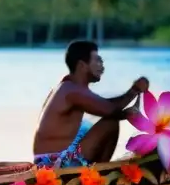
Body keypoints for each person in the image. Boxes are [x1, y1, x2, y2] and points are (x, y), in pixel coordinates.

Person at [32, 40, 148, 169]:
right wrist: (134, 91)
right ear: (82, 65)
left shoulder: (70, 86)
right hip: (51, 163)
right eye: (97, 61)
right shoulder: (72, 90)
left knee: (90, 125)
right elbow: (111, 110)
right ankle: (101, 173)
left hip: (53, 157)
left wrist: (130, 100)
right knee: (110, 122)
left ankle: (98, 170)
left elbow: (105, 105)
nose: (102, 66)